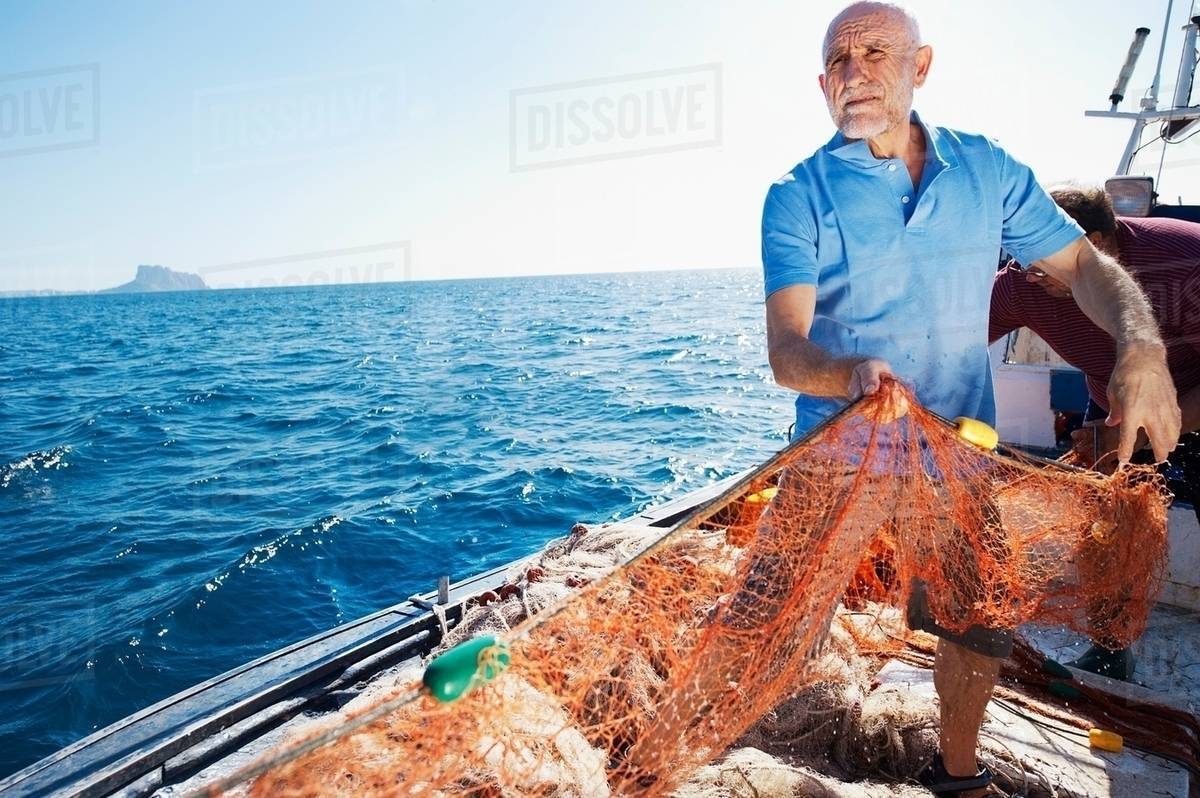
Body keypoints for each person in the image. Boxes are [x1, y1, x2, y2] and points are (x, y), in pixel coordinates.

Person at [626, 4, 1180, 798]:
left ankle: (955, 775)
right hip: (839, 449)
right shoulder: (797, 194)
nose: (855, 73)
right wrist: (848, 371)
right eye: (839, 62)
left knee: (977, 618)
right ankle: (656, 763)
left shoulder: (987, 170)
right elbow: (787, 350)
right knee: (767, 625)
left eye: (876, 52)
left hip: (955, 447)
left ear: (921, 68)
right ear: (821, 85)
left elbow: (1086, 268)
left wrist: (1143, 347)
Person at [990, 184, 1200, 680]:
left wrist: (1141, 435)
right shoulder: (1024, 280)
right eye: (1026, 260)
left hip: (1189, 393)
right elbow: (948, 339)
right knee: (1106, 521)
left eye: (1046, 262)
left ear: (1100, 245)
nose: (1031, 276)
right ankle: (1110, 648)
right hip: (1116, 403)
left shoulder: (1186, 262)